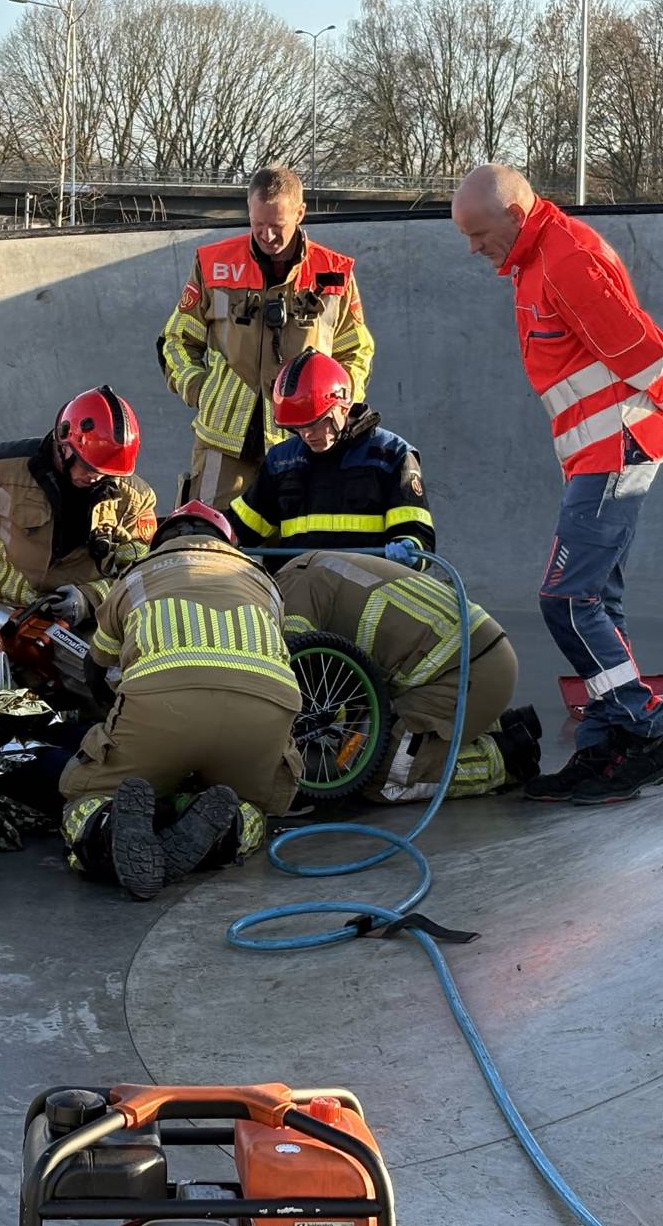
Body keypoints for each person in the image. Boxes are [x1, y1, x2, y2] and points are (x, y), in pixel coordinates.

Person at [450, 163, 663, 805]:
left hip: (617, 447)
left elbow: (643, 346)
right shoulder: (533, 259)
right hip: (594, 454)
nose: (472, 248)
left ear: (515, 216)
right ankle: (606, 743)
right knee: (600, 599)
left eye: (479, 233)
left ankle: (642, 733)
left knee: (566, 600)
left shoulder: (565, 258)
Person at [59, 502, 303, 900]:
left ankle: (106, 831)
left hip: (163, 707)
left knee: (83, 796)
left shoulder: (136, 574)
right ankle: (224, 835)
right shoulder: (262, 580)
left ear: (161, 541)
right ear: (226, 541)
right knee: (253, 806)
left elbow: (96, 664)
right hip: (265, 708)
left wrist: (114, 723)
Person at [158, 165, 375, 507]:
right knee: (210, 542)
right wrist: (200, 390)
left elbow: (356, 351)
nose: (267, 236)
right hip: (221, 441)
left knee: (298, 547)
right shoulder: (213, 264)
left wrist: (336, 410)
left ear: (300, 213)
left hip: (304, 439)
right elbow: (177, 339)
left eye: (277, 226)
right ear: (248, 210)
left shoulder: (333, 272)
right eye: (258, 225)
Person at [273, 552, 539, 803]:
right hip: (469, 659)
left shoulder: (291, 595)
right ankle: (495, 726)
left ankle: (504, 758)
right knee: (354, 756)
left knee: (381, 777)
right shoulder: (301, 574)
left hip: (468, 669)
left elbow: (287, 676)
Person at [0, 386, 158, 627]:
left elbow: (142, 574)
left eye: (106, 472)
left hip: (79, 627)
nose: (95, 477)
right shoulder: (1, 468)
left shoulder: (135, 499)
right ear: (64, 445)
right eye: (88, 466)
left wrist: (89, 599)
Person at [226, 350, 436, 562]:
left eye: (315, 423)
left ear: (343, 406)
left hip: (368, 580)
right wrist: (205, 527)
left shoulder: (392, 455)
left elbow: (419, 539)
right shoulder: (282, 461)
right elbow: (243, 528)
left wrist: (410, 551)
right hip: (297, 580)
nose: (307, 435)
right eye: (297, 427)